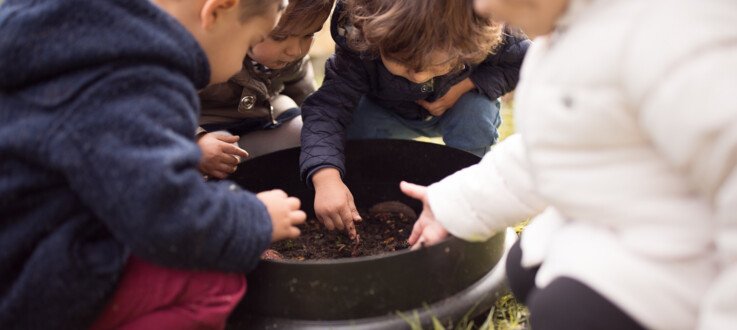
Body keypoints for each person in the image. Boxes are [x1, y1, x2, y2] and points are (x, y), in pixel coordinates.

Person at [400, 0, 737, 329]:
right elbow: (556, 149)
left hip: (693, 253)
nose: (482, 9)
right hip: (632, 214)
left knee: (568, 310)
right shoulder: (571, 30)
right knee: (523, 266)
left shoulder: (677, 35)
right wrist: (456, 202)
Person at [0, 0, 306, 329]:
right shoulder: (141, 80)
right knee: (217, 283)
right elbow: (166, 216)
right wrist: (255, 219)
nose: (238, 65)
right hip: (32, 281)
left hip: (21, 234)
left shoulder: (73, 29)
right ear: (216, 11)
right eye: (249, 42)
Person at [299, 0, 529, 239]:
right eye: (404, 65)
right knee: (356, 128)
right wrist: (325, 177)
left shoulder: (477, 24)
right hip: (387, 112)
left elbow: (524, 62)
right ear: (376, 38)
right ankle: (366, 195)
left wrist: (465, 86)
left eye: (436, 66)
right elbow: (328, 110)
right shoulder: (361, 42)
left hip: (457, 109)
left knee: (475, 115)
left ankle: (467, 195)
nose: (419, 77)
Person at [197, 0, 336, 179]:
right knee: (225, 155)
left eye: (308, 34)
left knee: (306, 133)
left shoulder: (291, 57)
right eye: (279, 37)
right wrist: (197, 140)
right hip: (210, 127)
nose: (294, 50)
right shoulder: (208, 53)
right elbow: (164, 108)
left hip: (264, 118)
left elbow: (304, 95)